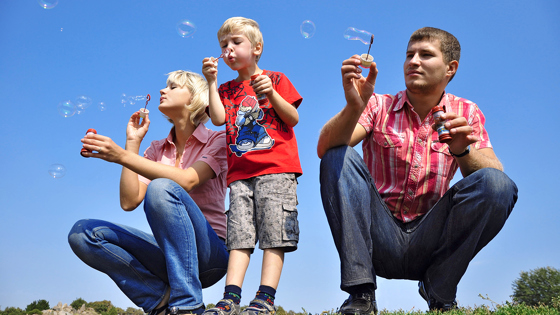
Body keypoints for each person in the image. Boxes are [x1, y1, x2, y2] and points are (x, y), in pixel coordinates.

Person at [317, 27, 518, 313]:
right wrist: (353, 106)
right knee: (338, 155)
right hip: (378, 235)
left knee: (497, 184)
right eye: (409, 55)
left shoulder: (466, 111)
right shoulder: (378, 104)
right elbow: (326, 149)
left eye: (425, 55)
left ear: (451, 68)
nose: (413, 61)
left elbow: (495, 175)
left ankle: (440, 289)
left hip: (431, 239)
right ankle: (360, 294)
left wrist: (462, 150)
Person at [68, 70, 229, 315]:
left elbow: (187, 180)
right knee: (83, 234)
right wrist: (131, 144)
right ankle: (160, 301)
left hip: (209, 255)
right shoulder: (156, 149)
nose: (163, 91)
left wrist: (121, 156)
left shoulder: (218, 140)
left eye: (173, 87)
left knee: (161, 186)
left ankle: (188, 306)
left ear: (194, 99)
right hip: (169, 255)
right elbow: (130, 201)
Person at [201, 17, 303, 315]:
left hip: (277, 169)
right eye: (223, 45)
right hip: (240, 175)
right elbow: (218, 119)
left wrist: (270, 93)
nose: (228, 50)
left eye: (236, 43)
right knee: (239, 235)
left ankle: (265, 298)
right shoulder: (226, 89)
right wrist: (211, 81)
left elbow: (292, 119)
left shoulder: (276, 79)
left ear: (257, 48)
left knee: (275, 233)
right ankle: (229, 298)